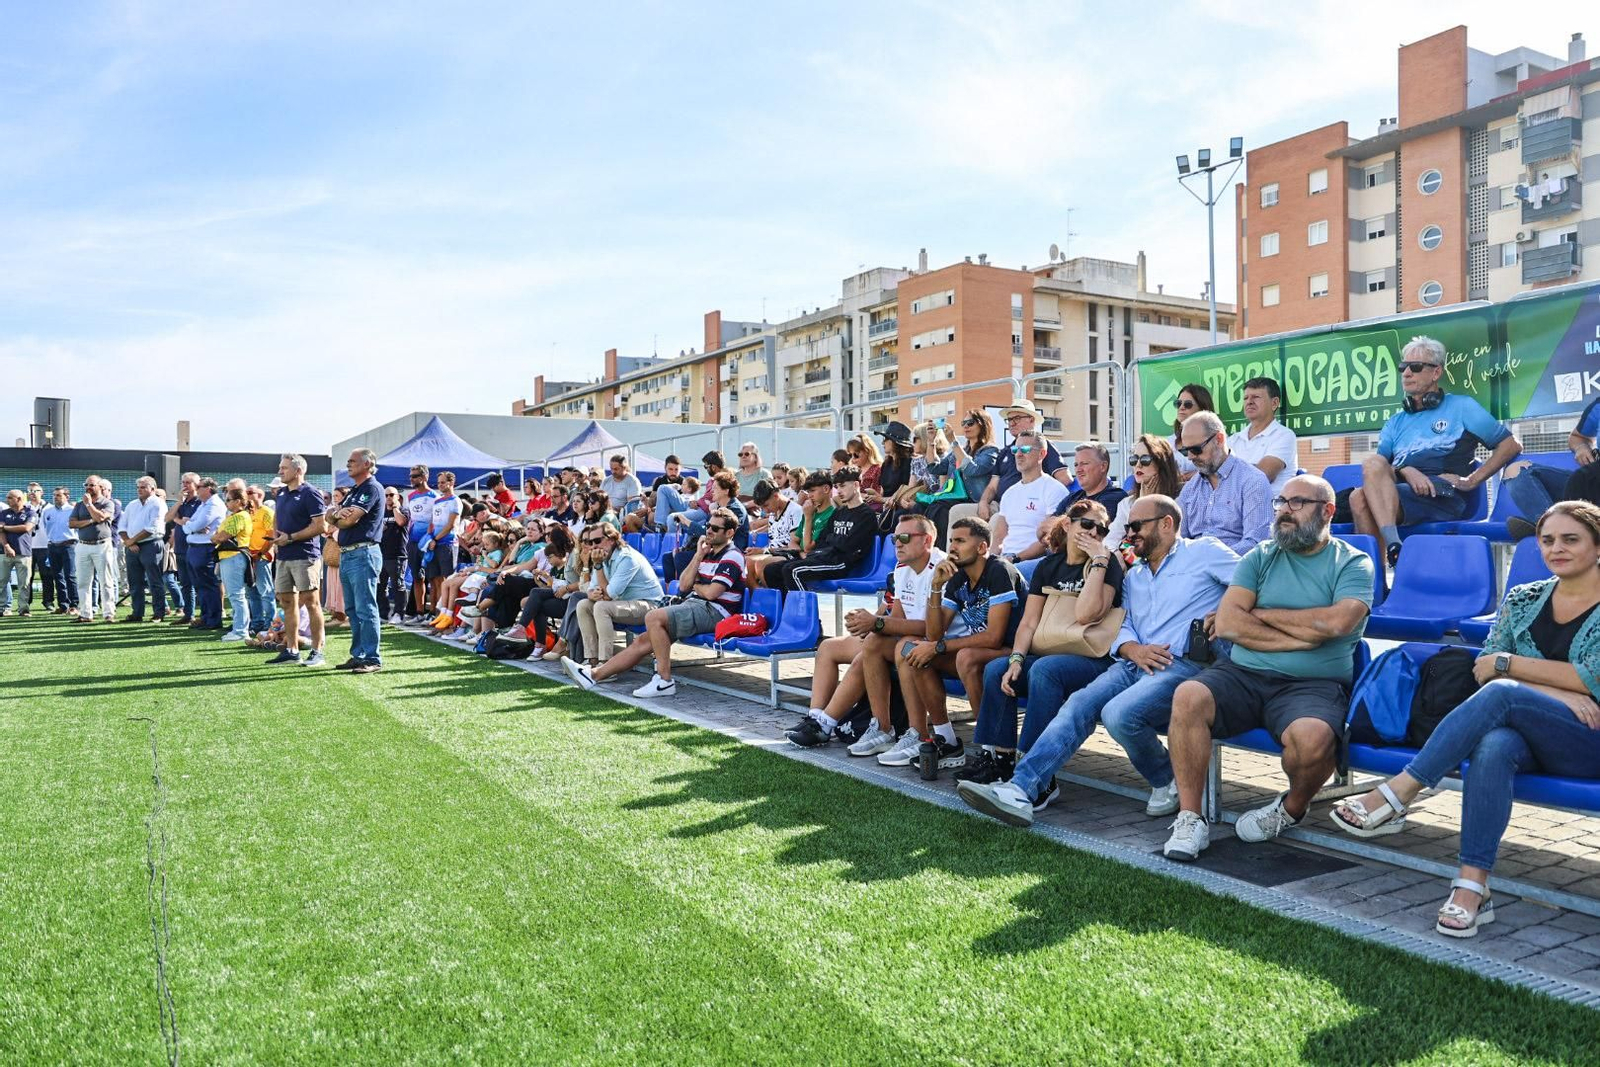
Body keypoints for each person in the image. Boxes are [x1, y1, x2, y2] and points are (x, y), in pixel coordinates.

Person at [1330, 500, 1600, 937]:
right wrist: (1550, 689)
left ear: (1597, 545)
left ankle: (1401, 790)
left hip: (1588, 740)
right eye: (1548, 539)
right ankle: (1472, 886)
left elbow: (1590, 678)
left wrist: (1510, 669)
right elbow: (1482, 668)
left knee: (1502, 695)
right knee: (1495, 744)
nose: (1557, 548)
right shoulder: (1523, 598)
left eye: (1571, 539)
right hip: (1532, 735)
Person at [954, 495, 1239, 826]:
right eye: (1128, 527)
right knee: (1076, 706)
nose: (1129, 534)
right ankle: (1021, 788)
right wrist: (1130, 647)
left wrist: (1225, 611)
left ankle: (1166, 778)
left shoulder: (1203, 551)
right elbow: (1123, 622)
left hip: (1181, 664)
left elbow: (1252, 582)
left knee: (1117, 715)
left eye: (1136, 526)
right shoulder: (1138, 575)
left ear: (1166, 524)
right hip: (1132, 661)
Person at [1161, 475, 1375, 861]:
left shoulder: (1353, 562)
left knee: (1312, 740)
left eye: (1297, 504)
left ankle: (1290, 809)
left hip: (1312, 684)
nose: (1284, 512)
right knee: (1189, 695)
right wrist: (1303, 636)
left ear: (1327, 511)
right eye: (1281, 503)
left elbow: (1337, 624)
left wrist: (1259, 615)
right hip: (1242, 675)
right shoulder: (1261, 554)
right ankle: (1190, 817)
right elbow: (1227, 624)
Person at [959, 502, 1125, 786]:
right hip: (1051, 654)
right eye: (1087, 524)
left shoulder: (1106, 566)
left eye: (1102, 529)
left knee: (1045, 670)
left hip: (1092, 659)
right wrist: (1016, 660)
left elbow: (1087, 615)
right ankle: (1000, 760)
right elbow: (1029, 623)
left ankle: (1035, 769)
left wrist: (1099, 560)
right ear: (1068, 524)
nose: (1094, 532)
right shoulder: (1049, 566)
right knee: (997, 669)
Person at [1348, 335, 1521, 566]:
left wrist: (1471, 481)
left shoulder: (1462, 406)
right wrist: (1406, 469)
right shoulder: (1395, 422)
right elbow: (1379, 469)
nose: (1406, 373)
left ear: (1436, 373)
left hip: (1441, 494)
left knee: (1361, 499)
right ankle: (1390, 553)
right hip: (1401, 491)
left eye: (1415, 367)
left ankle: (1377, 577)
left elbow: (1510, 445)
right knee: (1362, 484)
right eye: (1403, 367)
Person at [785, 513, 946, 751]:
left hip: (933, 644)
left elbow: (932, 629)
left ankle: (827, 725)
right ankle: (817, 718)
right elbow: (898, 616)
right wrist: (868, 621)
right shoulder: (902, 568)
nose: (897, 543)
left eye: (904, 537)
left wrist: (877, 624)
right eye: (894, 539)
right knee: (829, 646)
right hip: (903, 638)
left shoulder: (941, 569)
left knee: (872, 648)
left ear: (927, 540)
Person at [877, 517, 1025, 771]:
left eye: (960, 541)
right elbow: (934, 634)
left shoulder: (999, 570)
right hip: (982, 652)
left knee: (965, 657)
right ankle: (947, 740)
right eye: (951, 541)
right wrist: (936, 587)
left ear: (981, 547)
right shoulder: (957, 577)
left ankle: (990, 751)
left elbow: (994, 637)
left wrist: (938, 647)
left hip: (1015, 653)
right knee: (916, 652)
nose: (953, 547)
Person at [563, 507, 746, 698]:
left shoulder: (732, 555)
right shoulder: (706, 553)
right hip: (695, 604)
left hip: (716, 611)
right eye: (708, 526)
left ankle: (664, 680)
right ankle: (593, 674)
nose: (708, 531)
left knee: (653, 618)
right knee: (643, 641)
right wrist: (698, 556)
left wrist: (696, 586)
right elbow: (683, 585)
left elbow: (711, 594)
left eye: (715, 529)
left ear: (730, 533)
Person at [762, 466, 876, 591]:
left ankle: (803, 609)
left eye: (843, 486)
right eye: (837, 487)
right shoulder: (839, 512)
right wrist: (835, 539)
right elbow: (824, 539)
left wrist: (833, 539)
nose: (839, 491)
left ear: (855, 485)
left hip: (841, 563)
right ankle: (787, 606)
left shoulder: (866, 514)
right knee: (771, 570)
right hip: (824, 556)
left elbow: (849, 545)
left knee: (792, 571)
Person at [1501, 395, 1600, 538]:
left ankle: (1553, 534)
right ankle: (1551, 529)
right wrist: (1581, 447)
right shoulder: (1597, 406)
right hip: (1589, 484)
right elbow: (1578, 437)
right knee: (1515, 472)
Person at [1175, 410, 1273, 554]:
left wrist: (1209, 562)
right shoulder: (1190, 489)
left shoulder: (1252, 481)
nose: (1190, 457)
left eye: (1196, 450)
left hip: (1235, 570)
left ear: (1219, 439)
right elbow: (1177, 541)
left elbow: (1256, 544)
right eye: (1185, 451)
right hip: (1193, 571)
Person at [568, 522, 664, 669]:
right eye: (589, 542)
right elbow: (592, 588)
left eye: (597, 541)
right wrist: (592, 594)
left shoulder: (627, 558)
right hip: (623, 603)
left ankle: (606, 665)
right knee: (583, 605)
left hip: (649, 606)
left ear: (611, 539)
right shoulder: (603, 556)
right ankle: (591, 660)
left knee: (601, 607)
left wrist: (598, 566)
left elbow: (611, 594)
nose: (593, 546)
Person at [328, 447, 386, 672]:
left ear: (367, 464)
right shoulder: (355, 490)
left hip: (364, 552)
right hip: (349, 553)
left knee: (366, 608)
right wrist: (336, 514)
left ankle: (372, 658)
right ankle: (359, 654)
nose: (348, 464)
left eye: (353, 461)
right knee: (352, 609)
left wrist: (337, 518)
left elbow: (349, 520)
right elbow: (332, 515)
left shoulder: (371, 488)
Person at [270, 454, 328, 666]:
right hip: (284, 555)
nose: (280, 471)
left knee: (312, 603)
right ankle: (291, 650)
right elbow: (277, 518)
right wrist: (276, 538)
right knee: (287, 603)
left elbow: (321, 526)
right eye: (280, 467)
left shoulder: (311, 493)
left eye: (284, 468)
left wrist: (291, 538)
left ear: (298, 470)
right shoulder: (282, 493)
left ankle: (317, 651)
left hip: (305, 556)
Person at [976, 400, 1072, 521]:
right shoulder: (1005, 451)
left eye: (1016, 418)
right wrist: (983, 503)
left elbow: (1065, 479)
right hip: (1001, 504)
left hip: (1028, 507)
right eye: (1009, 420)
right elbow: (992, 487)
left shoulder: (1042, 446)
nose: (1011, 423)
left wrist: (1035, 501)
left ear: (1031, 420)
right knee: (957, 511)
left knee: (996, 520)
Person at [990, 429, 1069, 563]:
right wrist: (990, 561)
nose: (1019, 454)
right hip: (1006, 560)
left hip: (1035, 560)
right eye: (1015, 449)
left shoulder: (1054, 490)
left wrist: (1015, 558)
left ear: (1042, 454)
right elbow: (998, 538)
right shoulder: (1010, 493)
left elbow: (1048, 540)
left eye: (1025, 449)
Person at [925, 409, 1003, 543]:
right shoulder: (962, 450)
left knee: (940, 509)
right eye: (964, 423)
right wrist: (931, 441)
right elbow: (935, 468)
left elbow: (972, 470)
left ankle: (943, 549)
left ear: (983, 425)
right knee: (922, 507)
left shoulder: (990, 451)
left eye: (970, 423)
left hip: (976, 500)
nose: (966, 426)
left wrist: (954, 442)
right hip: (957, 498)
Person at [1105, 434, 1181, 554]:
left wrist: (1146, 504)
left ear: (1162, 463)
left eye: (1145, 460)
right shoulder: (1127, 504)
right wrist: (1117, 554)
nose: (1138, 465)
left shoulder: (1180, 499)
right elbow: (1109, 541)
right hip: (1134, 567)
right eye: (1134, 460)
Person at [1227, 376, 1299, 497]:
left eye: (1256, 397)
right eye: (1246, 398)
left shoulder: (1284, 436)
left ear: (1274, 403)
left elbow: (1261, 477)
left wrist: (1227, 472)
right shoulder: (1233, 440)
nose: (1249, 401)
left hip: (1271, 509)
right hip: (1234, 508)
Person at [118, 476, 168, 623]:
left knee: (154, 581)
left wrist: (131, 541)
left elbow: (152, 528)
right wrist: (128, 542)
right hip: (132, 546)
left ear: (152, 489)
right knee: (134, 582)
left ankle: (159, 613)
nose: (139, 490)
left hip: (151, 544)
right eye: (138, 487)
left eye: (143, 487)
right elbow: (122, 526)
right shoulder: (132, 505)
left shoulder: (158, 504)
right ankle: (137, 612)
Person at [71, 476, 119, 624]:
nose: (88, 488)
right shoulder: (79, 505)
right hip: (83, 545)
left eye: (91, 485)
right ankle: (86, 613)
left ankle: (108, 613)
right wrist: (90, 520)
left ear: (100, 487)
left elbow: (100, 518)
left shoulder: (108, 503)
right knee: (83, 581)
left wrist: (90, 506)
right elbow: (72, 523)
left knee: (106, 581)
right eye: (86, 485)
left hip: (102, 545)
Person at [181, 478, 226, 630]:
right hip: (195, 546)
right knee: (200, 585)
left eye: (199, 487)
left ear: (208, 488)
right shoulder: (203, 504)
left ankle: (213, 619)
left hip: (205, 547)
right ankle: (206, 617)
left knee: (208, 584)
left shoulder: (214, 504)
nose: (196, 489)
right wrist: (190, 525)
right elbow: (189, 523)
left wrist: (190, 525)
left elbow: (197, 524)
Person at [211, 487, 253, 640]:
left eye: (228, 500)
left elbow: (221, 536)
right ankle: (239, 628)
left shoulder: (240, 516)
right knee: (235, 595)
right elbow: (218, 536)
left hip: (234, 555)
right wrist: (215, 537)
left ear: (238, 501)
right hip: (228, 556)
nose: (226, 502)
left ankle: (241, 631)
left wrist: (215, 537)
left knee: (237, 595)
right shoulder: (234, 516)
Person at [424, 471, 463, 619]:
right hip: (435, 544)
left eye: (443, 482)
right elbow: (432, 523)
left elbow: (450, 525)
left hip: (448, 544)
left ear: (451, 483)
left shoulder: (455, 501)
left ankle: (447, 615)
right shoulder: (437, 501)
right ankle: (434, 612)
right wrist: (429, 538)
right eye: (438, 482)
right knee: (434, 579)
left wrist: (435, 539)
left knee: (448, 580)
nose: (440, 485)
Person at [163, 473, 201, 624]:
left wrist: (179, 520)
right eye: (183, 482)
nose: (184, 485)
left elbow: (191, 522)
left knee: (198, 583)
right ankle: (188, 614)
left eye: (188, 483)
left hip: (195, 547)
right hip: (180, 548)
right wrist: (179, 502)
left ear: (197, 485)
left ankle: (204, 615)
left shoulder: (200, 502)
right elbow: (167, 517)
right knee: (185, 584)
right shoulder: (183, 503)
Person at [403, 465, 438, 622]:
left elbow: (438, 521)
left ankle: (434, 613)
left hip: (429, 542)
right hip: (414, 541)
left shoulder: (435, 497)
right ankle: (419, 613)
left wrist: (432, 539)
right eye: (410, 476)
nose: (412, 479)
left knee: (432, 579)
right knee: (417, 578)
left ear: (425, 477)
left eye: (415, 476)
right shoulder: (410, 496)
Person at [38, 485, 78, 614]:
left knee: (70, 576)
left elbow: (77, 529)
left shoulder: (73, 510)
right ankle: (63, 605)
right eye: (54, 495)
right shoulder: (48, 511)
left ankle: (74, 605)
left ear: (67, 496)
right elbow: (45, 526)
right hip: (53, 546)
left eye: (59, 495)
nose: (56, 497)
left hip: (69, 545)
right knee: (57, 576)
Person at [0, 489, 39, 617]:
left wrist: (5, 527)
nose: (7, 500)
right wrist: (6, 546)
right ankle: (4, 608)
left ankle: (23, 609)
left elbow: (26, 527)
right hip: (5, 552)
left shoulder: (30, 512)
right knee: (2, 581)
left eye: (10, 497)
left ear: (19, 499)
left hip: (24, 552)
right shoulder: (3, 513)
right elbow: (0, 532)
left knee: (24, 583)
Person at [1169, 383, 1216, 480]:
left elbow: (1222, 467)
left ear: (1202, 408)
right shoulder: (1167, 443)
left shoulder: (1216, 439)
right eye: (1178, 404)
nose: (1181, 407)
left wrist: (1196, 475)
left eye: (1187, 404)